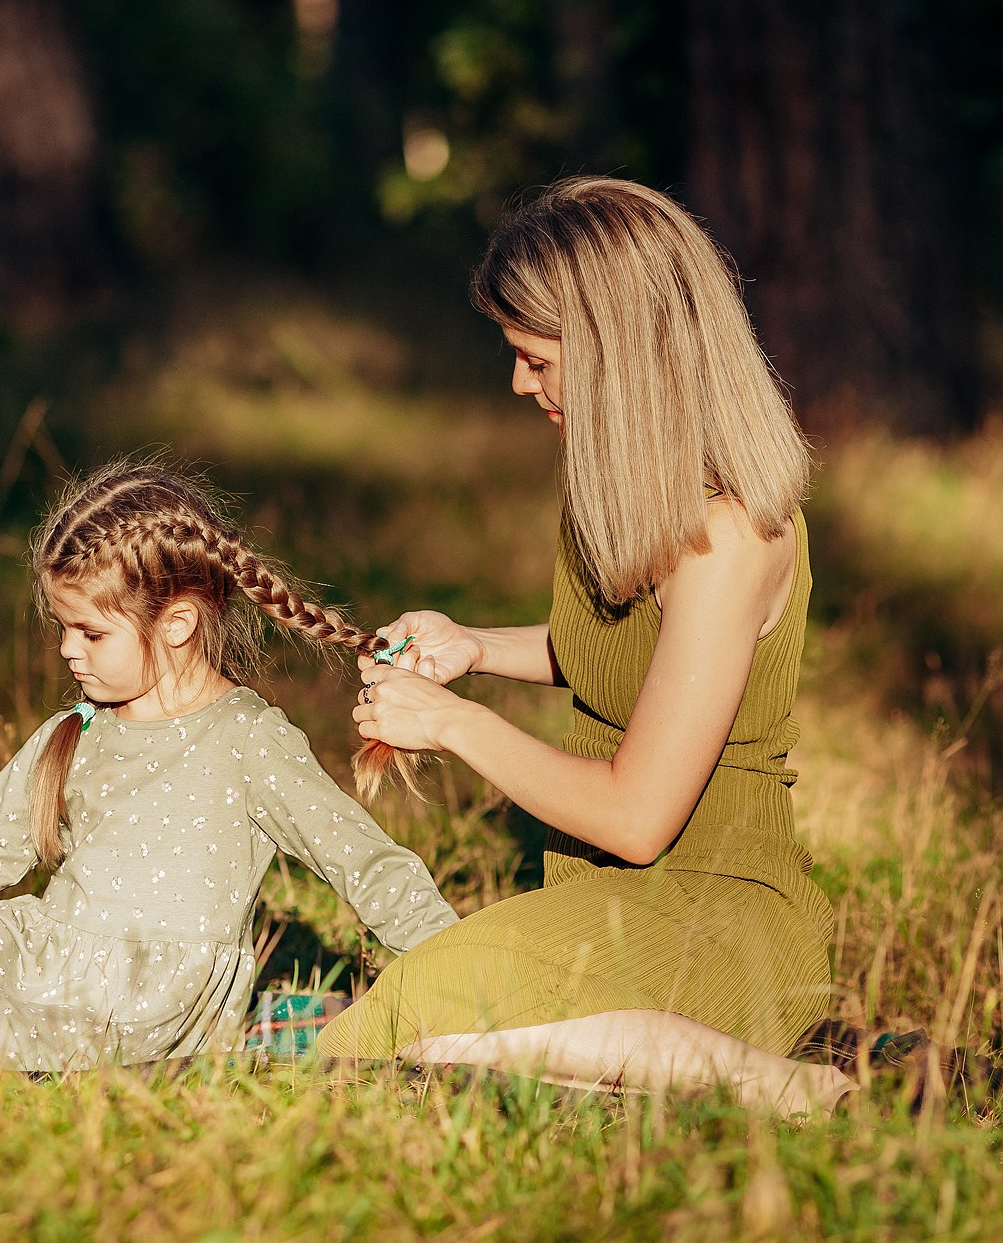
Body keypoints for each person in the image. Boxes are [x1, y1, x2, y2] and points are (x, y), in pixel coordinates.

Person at [317, 176, 856, 1117]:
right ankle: (658, 1068)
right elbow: (613, 654)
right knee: (403, 1031)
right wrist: (472, 646)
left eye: (534, 357)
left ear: (616, 352)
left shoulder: (731, 536)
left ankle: (782, 1081)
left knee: (394, 1033)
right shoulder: (621, 487)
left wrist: (451, 723)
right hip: (602, 893)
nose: (518, 382)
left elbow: (638, 818)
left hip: (720, 903)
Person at [0, 461, 457, 1068]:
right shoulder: (75, 730)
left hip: (151, 1001)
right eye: (63, 627)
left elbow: (367, 865)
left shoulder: (248, 741)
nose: (68, 650)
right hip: (44, 953)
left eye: (90, 633)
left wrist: (466, 980)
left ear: (180, 623)